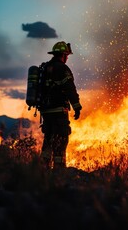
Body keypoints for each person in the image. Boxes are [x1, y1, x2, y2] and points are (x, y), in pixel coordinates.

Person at [39, 41, 82, 170]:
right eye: (66, 55)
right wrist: (77, 107)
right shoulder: (62, 68)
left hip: (46, 112)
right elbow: (70, 89)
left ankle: (43, 168)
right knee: (61, 140)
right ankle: (59, 170)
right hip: (59, 111)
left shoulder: (45, 68)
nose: (67, 58)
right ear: (62, 55)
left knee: (48, 139)